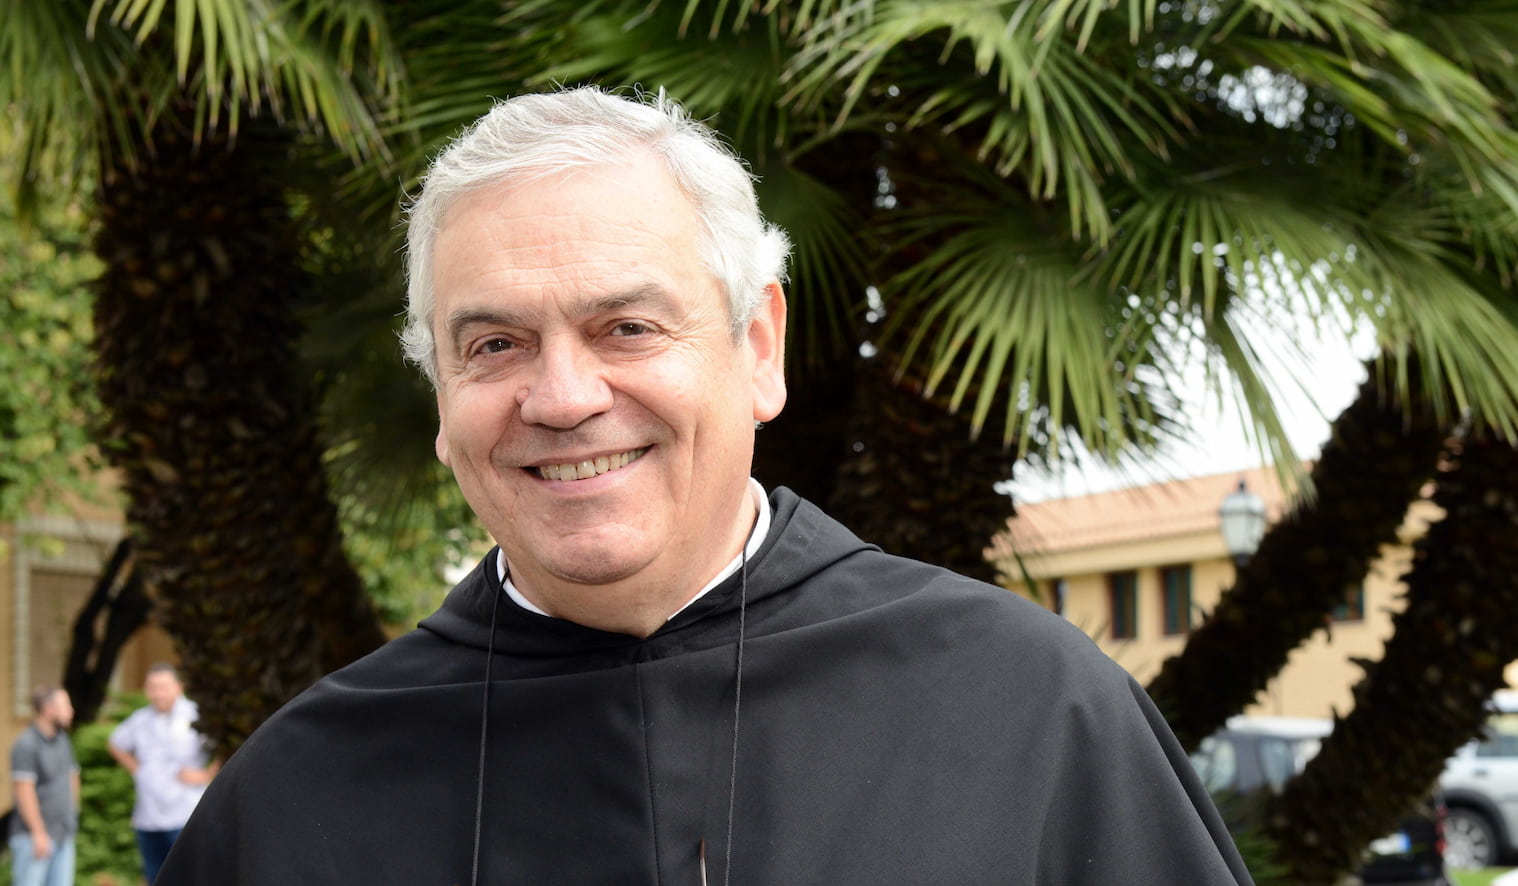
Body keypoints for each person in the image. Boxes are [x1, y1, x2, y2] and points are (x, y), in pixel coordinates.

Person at [159, 86, 1252, 884]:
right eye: (493, 345)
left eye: (626, 327)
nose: (562, 397)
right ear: (441, 395)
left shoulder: (1027, 712)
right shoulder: (296, 792)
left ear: (758, 347)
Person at [107, 663, 218, 884]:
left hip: (185, 813)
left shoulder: (195, 714)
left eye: (163, 687)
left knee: (188, 877)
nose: (158, 694)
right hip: (148, 815)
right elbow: (115, 743)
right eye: (152, 687)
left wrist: (207, 775)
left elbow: (225, 746)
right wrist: (138, 770)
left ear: (178, 687)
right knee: (155, 877)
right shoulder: (140, 719)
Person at [8, 687, 78, 886]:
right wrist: (38, 833)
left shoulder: (62, 740)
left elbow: (72, 777)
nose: (71, 711)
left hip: (63, 834)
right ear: (48, 709)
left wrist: (71, 817)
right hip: (33, 838)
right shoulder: (26, 744)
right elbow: (24, 791)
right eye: (65, 705)